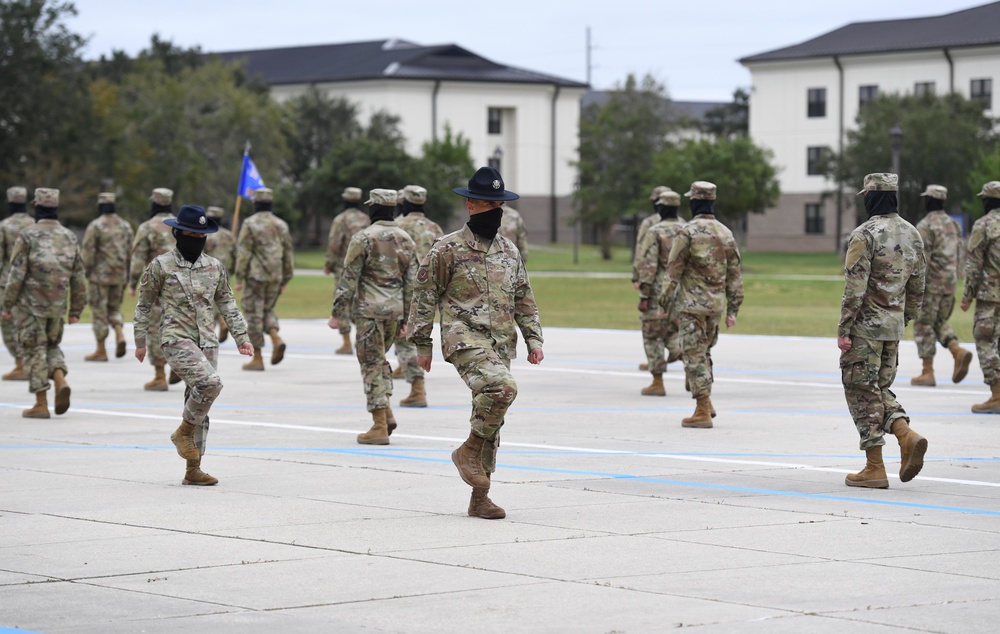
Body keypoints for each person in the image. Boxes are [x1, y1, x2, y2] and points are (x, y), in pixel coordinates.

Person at [407, 166, 544, 520]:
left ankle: (480, 495)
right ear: (470, 206)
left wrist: (533, 338)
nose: (495, 210)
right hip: (463, 336)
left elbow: (523, 296)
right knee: (502, 389)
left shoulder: (509, 251)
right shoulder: (446, 249)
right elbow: (423, 296)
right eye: (487, 203)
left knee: (490, 415)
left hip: (500, 343)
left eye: (498, 203)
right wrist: (422, 344)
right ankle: (467, 451)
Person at [134, 204, 253, 485]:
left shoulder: (214, 266)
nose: (196, 240)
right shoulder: (161, 265)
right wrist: (140, 341)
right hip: (176, 338)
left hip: (207, 341)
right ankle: (182, 433)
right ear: (177, 234)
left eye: (201, 236)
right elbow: (144, 305)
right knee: (211, 383)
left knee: (199, 403)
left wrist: (242, 337)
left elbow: (227, 303)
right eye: (190, 234)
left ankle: (193, 469)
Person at [838, 173, 927, 489]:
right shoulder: (912, 233)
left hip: (865, 330)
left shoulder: (865, 234)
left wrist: (844, 328)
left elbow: (854, 287)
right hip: (893, 328)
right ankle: (905, 434)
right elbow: (918, 284)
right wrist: (906, 318)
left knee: (861, 391)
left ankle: (874, 467)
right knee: (878, 388)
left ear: (871, 197)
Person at [329, 189, 417, 444]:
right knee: (379, 361)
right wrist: (407, 319)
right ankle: (386, 413)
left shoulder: (363, 237)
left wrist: (337, 313)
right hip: (395, 312)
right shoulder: (406, 239)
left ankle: (378, 425)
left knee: (370, 365)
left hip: (369, 312)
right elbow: (412, 283)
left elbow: (348, 279)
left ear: (374, 209)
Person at [659, 181, 743, 429]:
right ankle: (707, 402)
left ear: (694, 201)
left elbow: (673, 271)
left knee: (694, 355)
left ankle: (702, 409)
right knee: (704, 353)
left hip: (691, 307)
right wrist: (733, 309)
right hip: (715, 307)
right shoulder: (725, 232)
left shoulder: (687, 232)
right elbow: (735, 274)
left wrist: (664, 301)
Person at [1, 188, 86, 418]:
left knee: (33, 349)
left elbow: (16, 275)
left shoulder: (27, 235)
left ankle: (41, 402)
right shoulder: (69, 236)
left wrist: (6, 305)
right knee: (51, 346)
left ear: (37, 206)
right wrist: (76, 308)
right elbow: (78, 275)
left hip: (30, 305)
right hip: (57, 306)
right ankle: (60, 378)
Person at [910, 185, 972, 387]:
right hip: (950, 284)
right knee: (938, 321)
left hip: (931, 285)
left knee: (923, 324)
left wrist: (912, 285)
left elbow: (921, 259)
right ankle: (957, 351)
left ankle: (927, 372)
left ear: (929, 200)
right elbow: (960, 254)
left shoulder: (926, 225)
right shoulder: (954, 224)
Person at [392, 184, 443, 407]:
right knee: (419, 335)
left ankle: (417, 388)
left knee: (404, 338)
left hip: (407, 288)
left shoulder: (398, 227)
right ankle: (404, 367)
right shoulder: (435, 228)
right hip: (431, 289)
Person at [234, 188, 294, 371]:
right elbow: (288, 252)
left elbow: (244, 252)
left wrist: (240, 276)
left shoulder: (250, 224)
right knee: (267, 309)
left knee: (253, 315)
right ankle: (276, 338)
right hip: (275, 276)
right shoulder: (281, 224)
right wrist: (286, 277)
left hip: (256, 276)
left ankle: (257, 357)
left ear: (256, 203)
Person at [636, 189, 684, 396]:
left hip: (658, 291)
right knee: (675, 330)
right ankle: (686, 364)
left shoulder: (655, 231)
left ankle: (657, 382)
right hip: (682, 291)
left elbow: (649, 265)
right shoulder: (686, 229)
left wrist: (644, 295)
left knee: (652, 335)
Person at [129, 188, 177, 391]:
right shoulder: (181, 224)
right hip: (183, 283)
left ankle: (159, 376)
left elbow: (138, 258)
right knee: (181, 323)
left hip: (157, 284)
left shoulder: (147, 227)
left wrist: (132, 282)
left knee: (156, 327)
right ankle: (180, 363)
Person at [81, 192, 134, 361]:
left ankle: (101, 350)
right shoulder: (125, 226)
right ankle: (119, 333)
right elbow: (131, 251)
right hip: (119, 275)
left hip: (100, 276)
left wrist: (85, 271)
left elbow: (88, 251)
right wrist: (128, 275)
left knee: (99, 311)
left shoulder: (96, 226)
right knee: (114, 309)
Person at [962, 181, 1000, 413]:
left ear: (987, 200)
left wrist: (967, 296)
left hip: (989, 295)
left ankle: (997, 394)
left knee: (985, 340)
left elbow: (974, 264)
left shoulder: (983, 224)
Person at [324, 187, 369, 355]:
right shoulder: (366, 218)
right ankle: (362, 339)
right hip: (363, 266)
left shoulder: (340, 219)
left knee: (342, 302)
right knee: (360, 302)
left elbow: (334, 243)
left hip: (343, 267)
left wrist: (328, 264)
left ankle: (346, 342)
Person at [633, 185, 670, 371]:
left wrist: (637, 277)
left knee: (652, 329)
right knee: (674, 325)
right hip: (678, 286)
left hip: (655, 284)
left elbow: (642, 252)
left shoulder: (650, 224)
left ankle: (657, 373)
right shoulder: (683, 223)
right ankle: (680, 356)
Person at [0, 186, 34, 380]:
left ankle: (20, 364)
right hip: (32, 284)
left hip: (8, 283)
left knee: (9, 324)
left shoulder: (4, 226)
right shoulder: (34, 224)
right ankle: (32, 362)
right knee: (29, 322)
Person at [204, 205, 237, 342]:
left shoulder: (205, 234)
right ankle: (223, 321)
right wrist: (233, 270)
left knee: (208, 302)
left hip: (207, 271)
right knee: (221, 299)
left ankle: (212, 331)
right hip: (225, 271)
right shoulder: (228, 235)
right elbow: (235, 255)